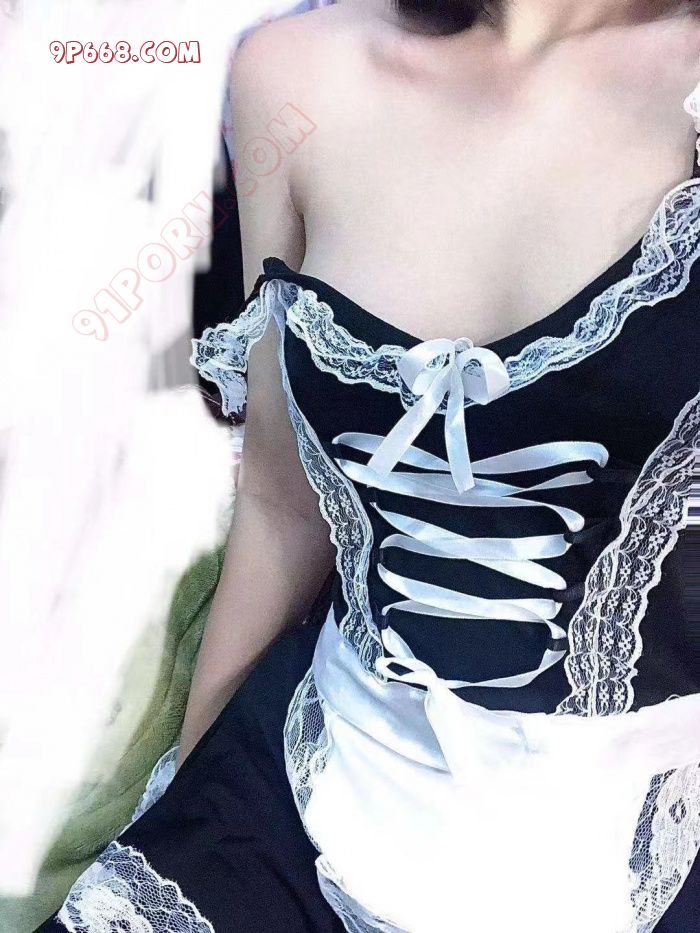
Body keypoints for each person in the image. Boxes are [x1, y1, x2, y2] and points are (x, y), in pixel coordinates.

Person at [41, 0, 700, 930]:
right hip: (304, 781)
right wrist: (185, 794)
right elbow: (281, 503)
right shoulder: (293, 74)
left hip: (637, 832)